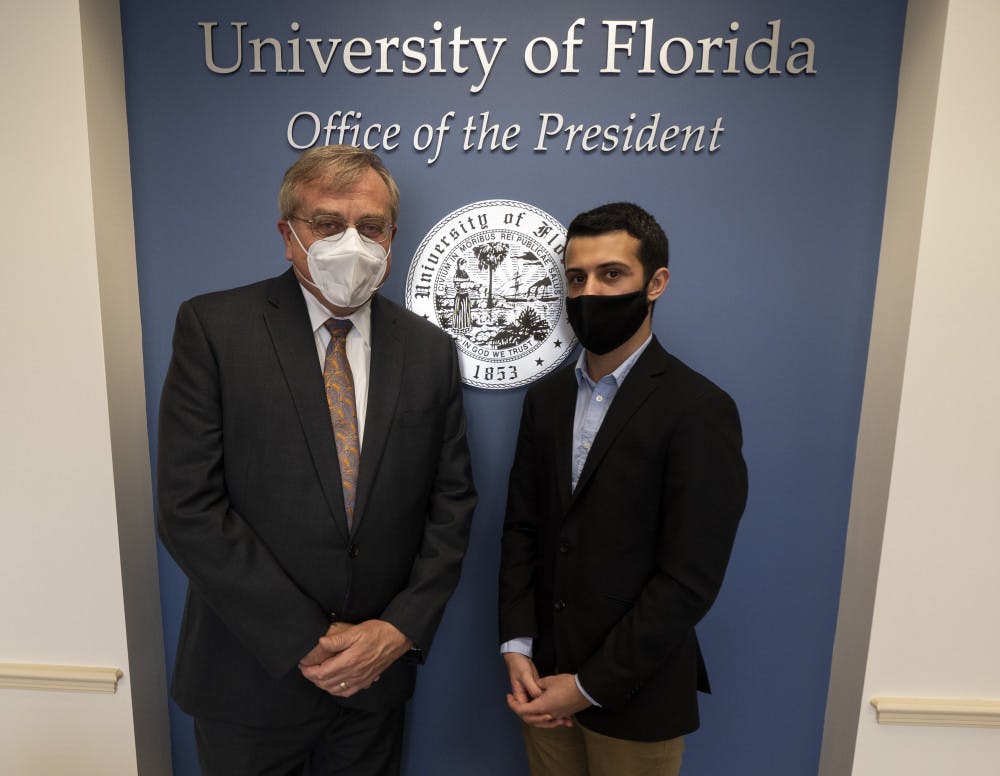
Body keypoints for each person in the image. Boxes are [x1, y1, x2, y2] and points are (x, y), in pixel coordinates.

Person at [157, 145, 476, 775]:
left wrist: (398, 631)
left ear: (392, 238)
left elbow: (452, 504)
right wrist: (304, 638)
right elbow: (188, 507)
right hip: (248, 680)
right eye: (328, 224)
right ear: (288, 235)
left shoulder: (429, 349)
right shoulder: (215, 329)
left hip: (374, 685)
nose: (351, 242)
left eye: (371, 227)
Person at [498, 202, 747, 776]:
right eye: (576, 278)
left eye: (612, 274)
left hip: (637, 694)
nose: (590, 292)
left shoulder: (700, 409)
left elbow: (689, 580)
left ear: (655, 282)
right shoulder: (547, 400)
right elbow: (524, 528)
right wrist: (517, 644)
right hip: (542, 688)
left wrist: (588, 686)